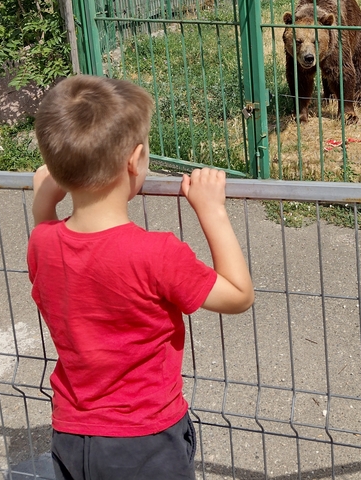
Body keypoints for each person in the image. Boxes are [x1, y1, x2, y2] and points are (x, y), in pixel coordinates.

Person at [28, 75, 255, 480]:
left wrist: (44, 199)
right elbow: (238, 295)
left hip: (72, 434)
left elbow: (46, 230)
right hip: (145, 440)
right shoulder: (156, 254)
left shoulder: (43, 243)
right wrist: (211, 210)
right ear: (134, 161)